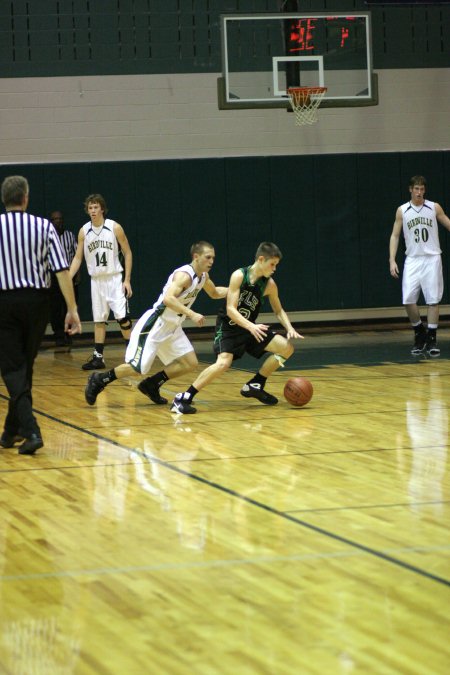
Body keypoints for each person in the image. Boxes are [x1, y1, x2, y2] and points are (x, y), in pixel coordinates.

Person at [84, 241, 227, 406]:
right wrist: (191, 313)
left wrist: (238, 290)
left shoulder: (203, 277)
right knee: (137, 368)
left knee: (190, 363)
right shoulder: (184, 275)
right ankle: (99, 379)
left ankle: (152, 384)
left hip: (172, 327)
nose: (211, 261)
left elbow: (215, 292)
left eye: (213, 258)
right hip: (156, 324)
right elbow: (168, 299)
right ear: (196, 256)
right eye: (208, 257)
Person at [170, 241, 303, 414]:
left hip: (250, 328)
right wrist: (251, 326)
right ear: (261, 259)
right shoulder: (239, 276)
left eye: (276, 265)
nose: (274, 268)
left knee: (286, 348)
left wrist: (289, 327)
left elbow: (279, 310)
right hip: (229, 327)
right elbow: (231, 309)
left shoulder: (269, 285)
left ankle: (256, 384)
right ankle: (184, 397)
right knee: (223, 363)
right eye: (272, 264)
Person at [0, 176, 81, 455]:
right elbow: (61, 270)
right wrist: (72, 309)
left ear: (4, 199)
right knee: (25, 367)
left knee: (12, 368)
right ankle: (11, 431)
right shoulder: (44, 226)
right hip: (38, 303)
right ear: (25, 198)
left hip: (4, 303)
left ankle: (31, 430)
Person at [70, 193, 133, 370]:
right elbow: (77, 258)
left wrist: (127, 280)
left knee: (123, 318)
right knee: (99, 319)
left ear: (102, 209)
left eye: (96, 207)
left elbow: (127, 253)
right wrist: (67, 278)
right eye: (90, 208)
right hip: (96, 280)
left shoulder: (114, 227)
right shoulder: (84, 231)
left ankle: (131, 354)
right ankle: (98, 358)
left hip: (114, 278)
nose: (93, 211)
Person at [389, 175, 450, 357]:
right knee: (408, 299)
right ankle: (419, 331)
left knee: (432, 300)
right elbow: (395, 236)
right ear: (410, 189)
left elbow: (447, 222)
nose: (419, 192)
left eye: (422, 189)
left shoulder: (433, 207)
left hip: (432, 258)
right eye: (416, 189)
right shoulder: (402, 210)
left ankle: (431, 337)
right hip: (413, 259)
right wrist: (392, 259)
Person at [49, 210, 79, 347]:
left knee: (70, 305)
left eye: (60, 219)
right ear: (51, 221)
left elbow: (76, 256)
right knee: (55, 307)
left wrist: (78, 274)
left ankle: (69, 333)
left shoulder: (69, 236)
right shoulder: (47, 237)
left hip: (69, 275)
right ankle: (59, 334)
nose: (58, 222)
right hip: (53, 277)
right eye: (55, 219)